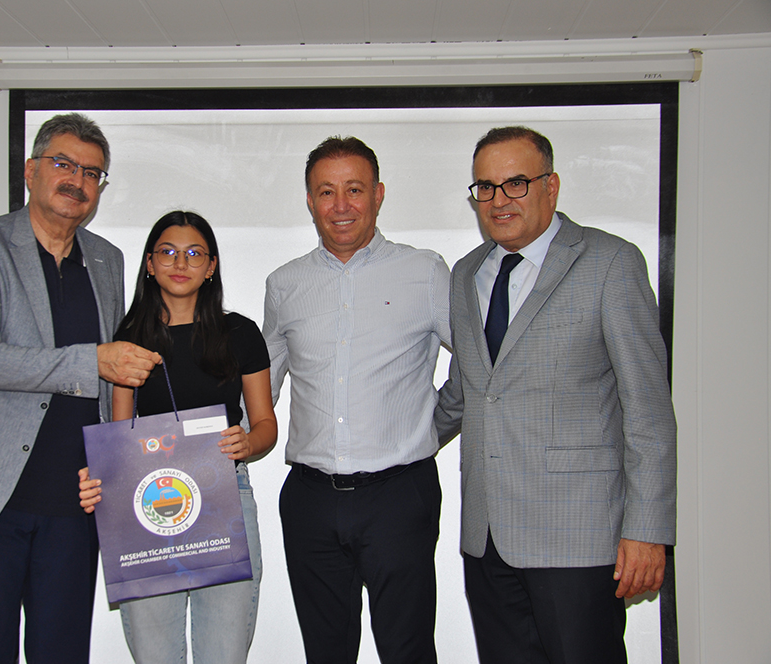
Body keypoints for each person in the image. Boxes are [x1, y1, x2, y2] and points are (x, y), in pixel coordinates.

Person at [0, 113, 161, 664]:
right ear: (30, 170)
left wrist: (118, 464)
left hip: (75, 503)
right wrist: (92, 359)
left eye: (92, 173)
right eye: (63, 164)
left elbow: (112, 385)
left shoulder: (107, 260)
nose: (77, 180)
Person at [433, 126, 677, 664]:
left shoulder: (610, 263)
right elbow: (468, 391)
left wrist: (647, 531)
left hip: (580, 539)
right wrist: (385, 442)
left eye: (516, 183)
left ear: (551, 185)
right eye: (485, 187)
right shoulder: (466, 273)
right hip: (488, 539)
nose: (499, 200)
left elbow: (648, 409)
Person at [262, 136, 452, 663]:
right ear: (310, 201)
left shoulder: (426, 272)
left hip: (399, 496)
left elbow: (480, 367)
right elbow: (259, 389)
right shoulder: (285, 284)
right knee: (325, 654)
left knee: (408, 651)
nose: (340, 205)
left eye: (354, 189)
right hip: (310, 500)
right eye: (326, 191)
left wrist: (439, 422)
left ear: (378, 194)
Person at [79, 211, 277, 663]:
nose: (180, 262)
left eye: (194, 253)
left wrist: (248, 443)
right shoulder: (129, 340)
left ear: (211, 266)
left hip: (225, 498)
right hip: (144, 502)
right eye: (167, 252)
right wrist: (101, 475)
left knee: (223, 654)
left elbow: (266, 423)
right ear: (150, 264)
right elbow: (119, 434)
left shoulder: (240, 333)